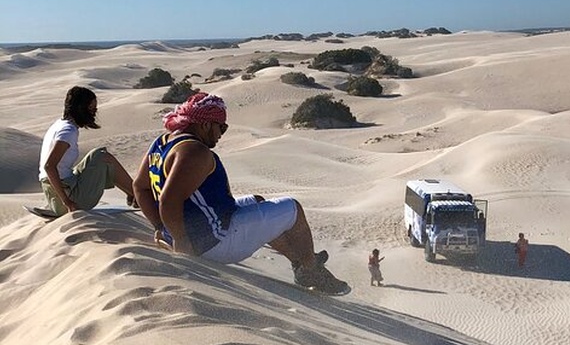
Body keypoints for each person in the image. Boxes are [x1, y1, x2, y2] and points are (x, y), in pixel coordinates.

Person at [131, 92, 348, 294]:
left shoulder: (162, 143)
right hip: (213, 241)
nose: (221, 134)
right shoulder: (195, 151)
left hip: (194, 229)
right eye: (221, 127)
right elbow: (169, 200)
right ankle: (311, 270)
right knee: (293, 209)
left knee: (259, 203)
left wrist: (161, 227)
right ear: (205, 125)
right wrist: (181, 241)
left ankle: (299, 262)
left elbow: (140, 187)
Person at [38, 86, 136, 216]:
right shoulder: (68, 131)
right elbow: (49, 166)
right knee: (102, 157)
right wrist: (67, 202)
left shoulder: (58, 125)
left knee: (95, 155)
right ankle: (139, 195)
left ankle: (134, 194)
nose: (94, 113)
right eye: (92, 108)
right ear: (81, 108)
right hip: (69, 199)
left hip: (57, 194)